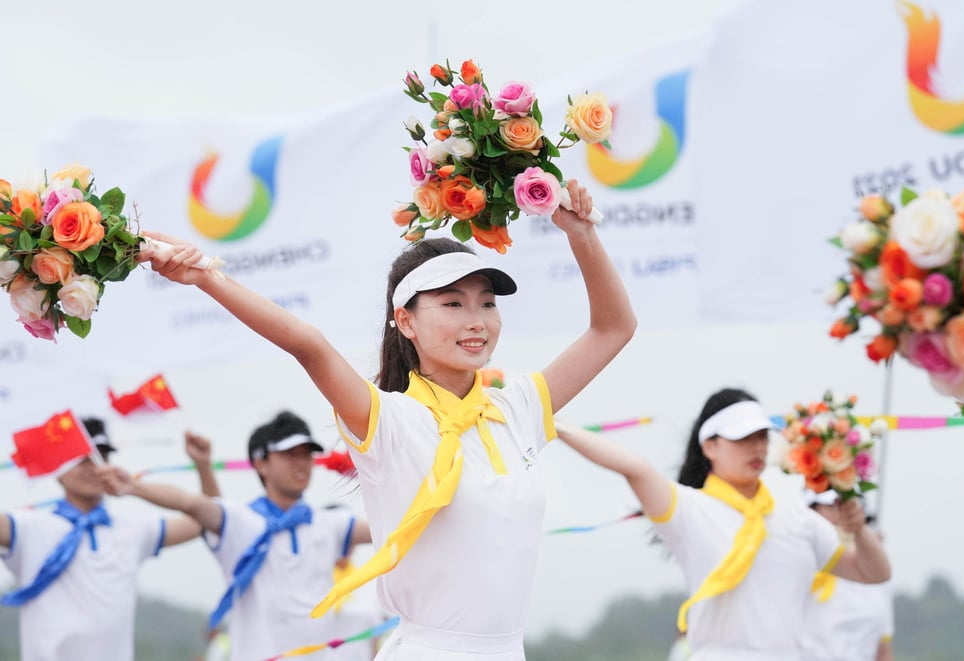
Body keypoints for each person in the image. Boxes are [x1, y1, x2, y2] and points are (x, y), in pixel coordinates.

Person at [137, 178, 636, 660]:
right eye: (453, 304)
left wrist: (582, 234)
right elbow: (306, 344)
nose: (476, 320)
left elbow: (614, 327)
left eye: (487, 303)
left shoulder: (518, 408)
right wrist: (204, 273)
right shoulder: (388, 420)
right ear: (406, 321)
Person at [553, 388, 891, 661]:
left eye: (761, 437)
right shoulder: (689, 508)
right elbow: (635, 467)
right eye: (742, 438)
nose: (756, 447)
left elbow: (873, 573)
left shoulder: (797, 517)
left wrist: (859, 530)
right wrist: (553, 420)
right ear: (710, 446)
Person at [101, 411, 375, 661]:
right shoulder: (243, 521)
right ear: (261, 463)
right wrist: (135, 486)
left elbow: (389, 529)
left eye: (306, 454)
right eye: (289, 453)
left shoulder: (330, 524)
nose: (300, 463)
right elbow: (191, 503)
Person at [0, 416, 201, 661]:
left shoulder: (131, 531)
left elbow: (207, 520)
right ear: (59, 470)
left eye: (101, 457)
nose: (94, 467)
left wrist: (201, 466)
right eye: (81, 459)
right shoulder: (29, 527)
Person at [800, 490, 894, 661]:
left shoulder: (875, 572)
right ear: (812, 510)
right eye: (833, 504)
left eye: (852, 505)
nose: (842, 511)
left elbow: (883, 650)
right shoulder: (795, 560)